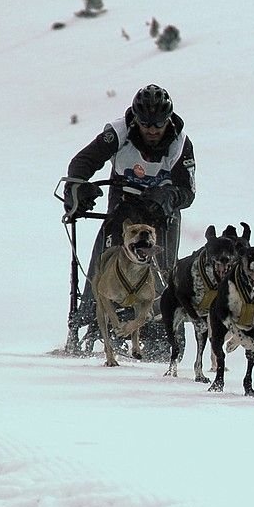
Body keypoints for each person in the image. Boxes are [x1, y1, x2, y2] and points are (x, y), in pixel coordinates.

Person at [63, 83, 196, 356]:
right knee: (107, 257)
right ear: (135, 119)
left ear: (168, 120)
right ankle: (92, 316)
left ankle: (161, 328)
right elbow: (82, 162)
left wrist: (169, 197)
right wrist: (77, 188)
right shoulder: (117, 133)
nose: (151, 130)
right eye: (145, 124)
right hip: (123, 203)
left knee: (162, 267)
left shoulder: (181, 143)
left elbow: (188, 192)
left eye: (158, 124)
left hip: (161, 210)